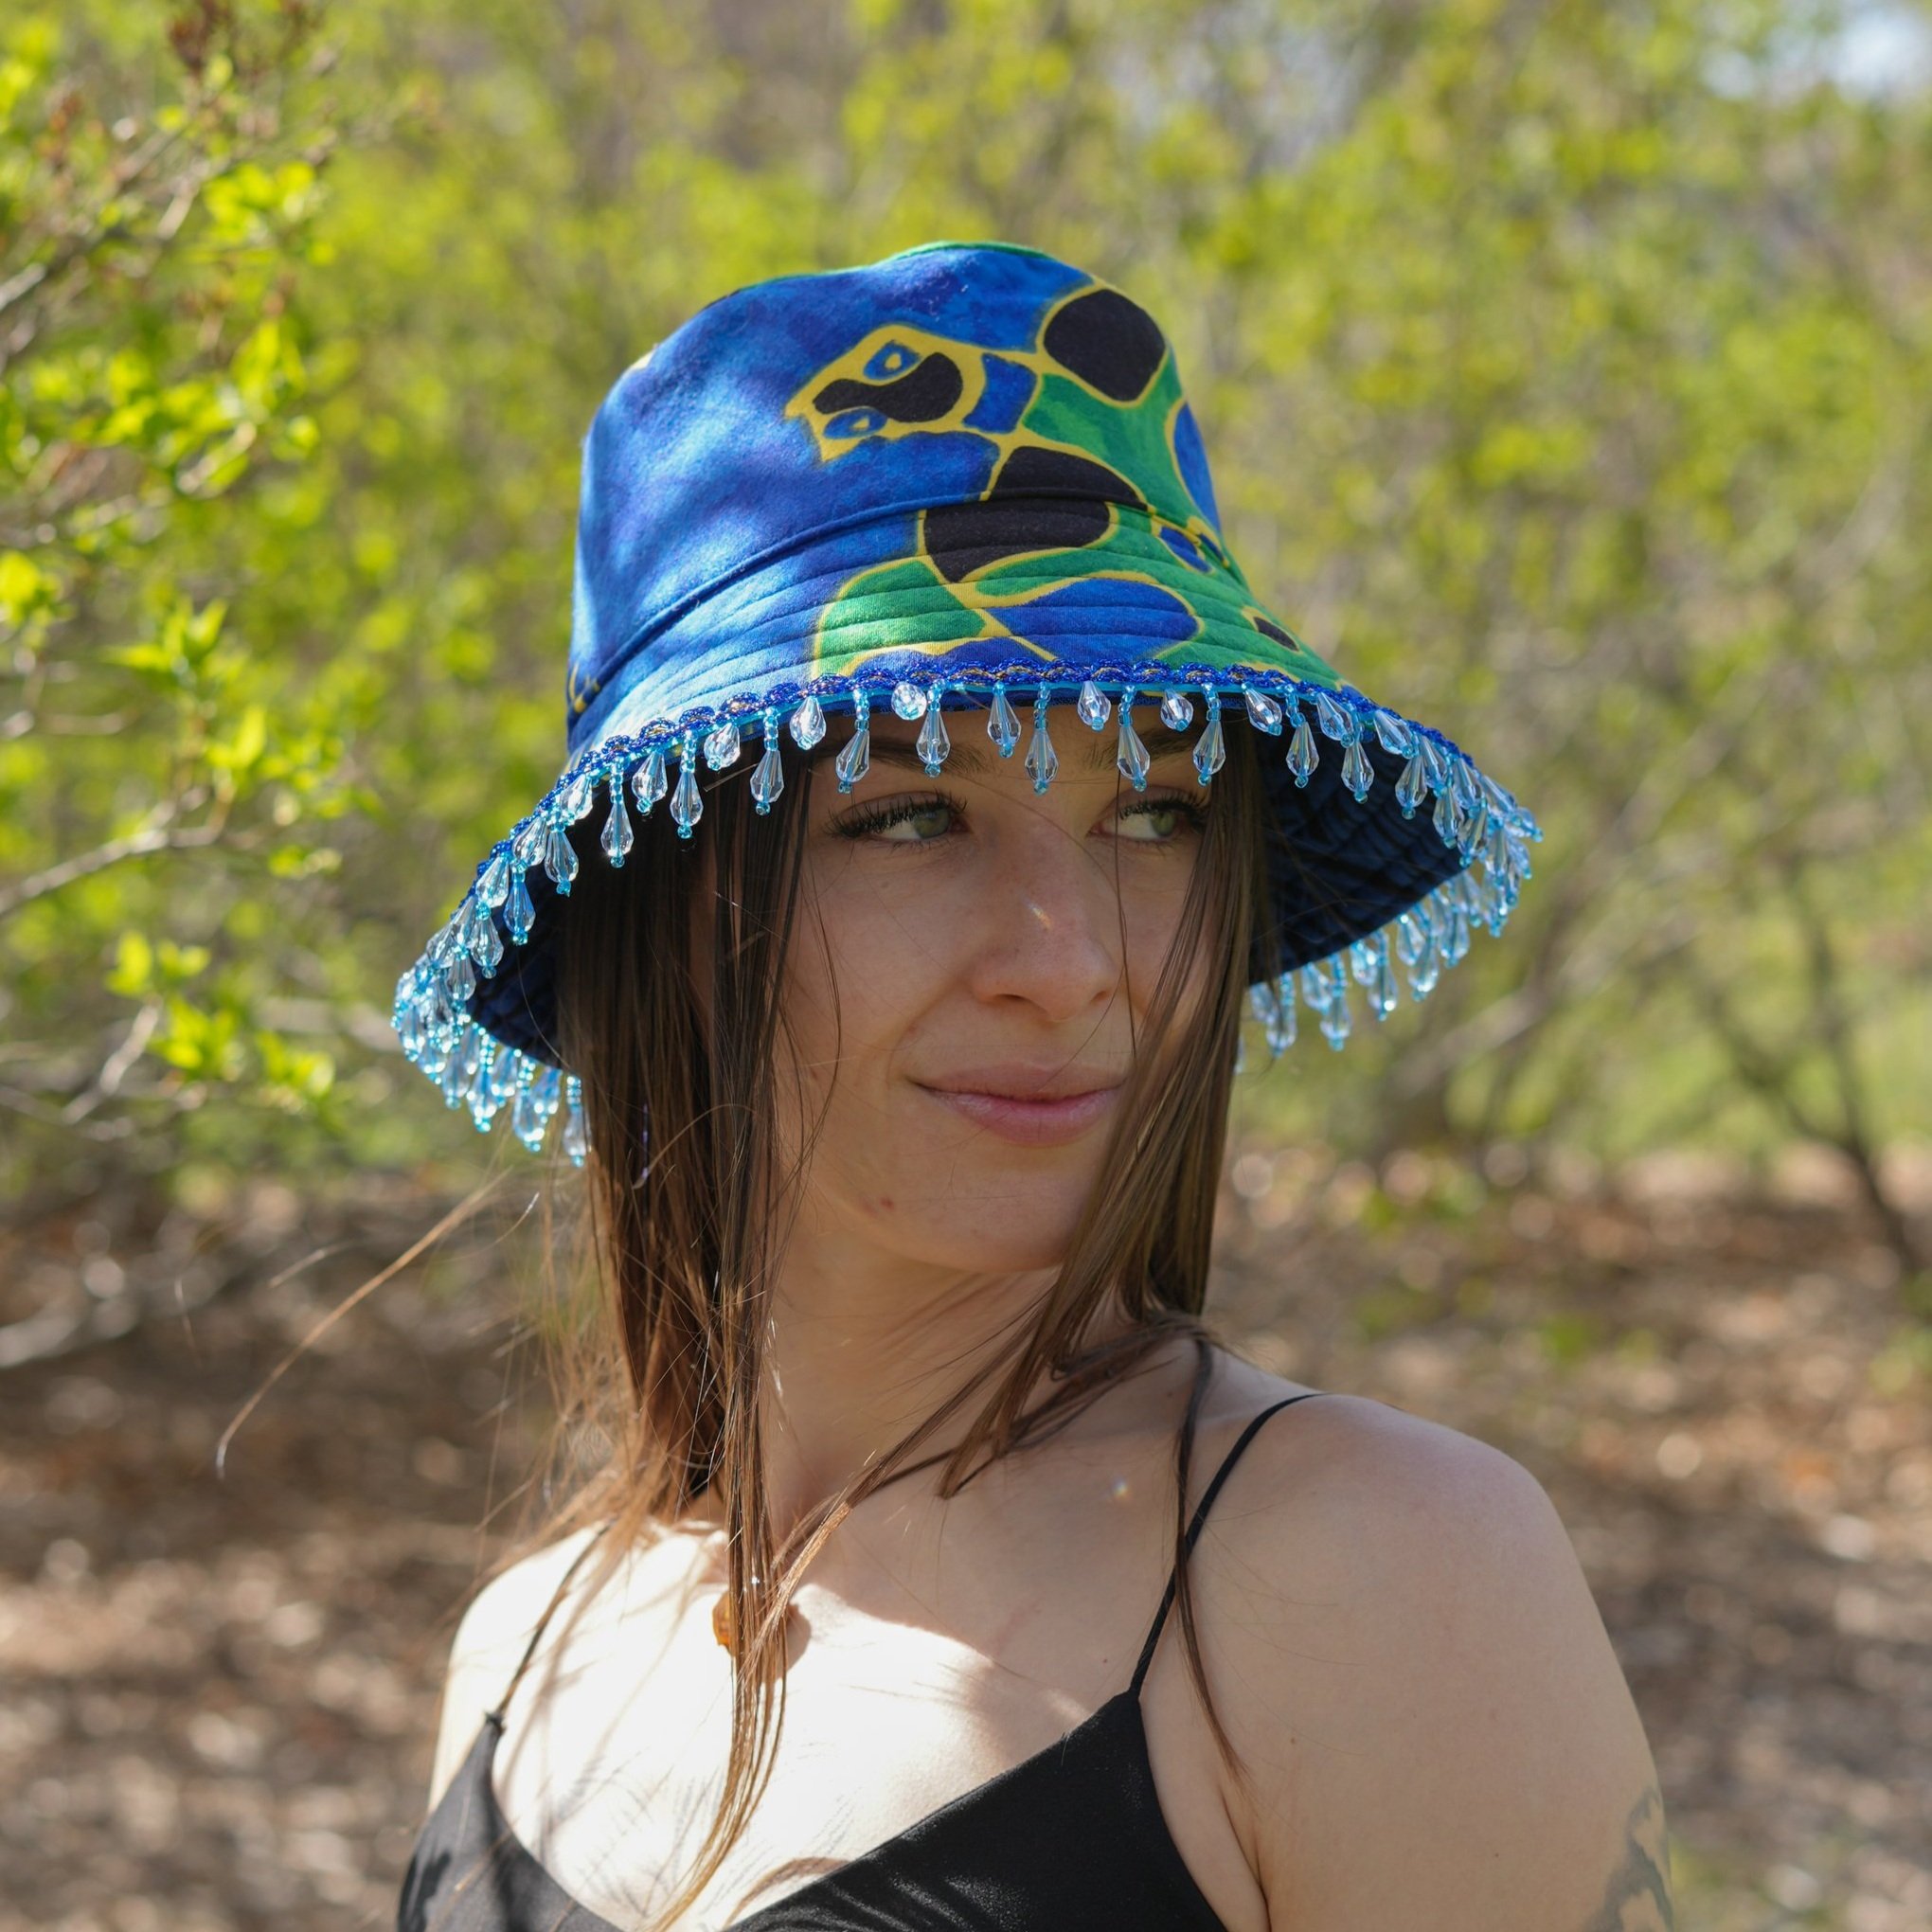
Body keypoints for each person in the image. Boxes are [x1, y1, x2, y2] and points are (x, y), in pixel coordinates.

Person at [389, 241, 1672, 1931]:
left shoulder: (1372, 1577)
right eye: (909, 814)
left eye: (1156, 814)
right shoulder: (528, 1647)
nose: (1067, 964)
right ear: (664, 910)